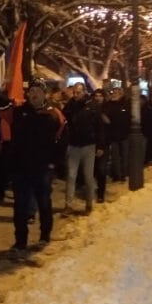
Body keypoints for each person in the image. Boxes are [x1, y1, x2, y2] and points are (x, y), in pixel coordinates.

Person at [2, 81, 64, 251]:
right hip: (21, 167)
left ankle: (45, 236)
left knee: (44, 203)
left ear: (45, 94)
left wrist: (54, 163)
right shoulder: (18, 112)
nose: (34, 94)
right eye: (32, 91)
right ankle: (20, 240)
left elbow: (62, 138)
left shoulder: (53, 113)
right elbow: (0, 106)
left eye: (38, 91)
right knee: (20, 206)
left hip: (42, 168)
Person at [61, 82, 99, 217]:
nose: (76, 95)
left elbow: (98, 125)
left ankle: (89, 204)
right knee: (71, 176)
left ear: (84, 92)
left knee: (88, 177)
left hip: (88, 145)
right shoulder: (71, 104)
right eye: (74, 92)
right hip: (74, 145)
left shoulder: (91, 105)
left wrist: (100, 145)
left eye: (78, 92)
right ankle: (68, 205)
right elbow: (64, 116)